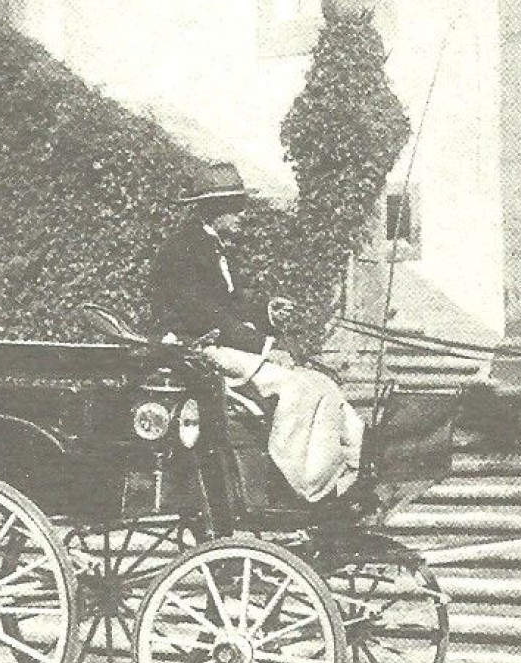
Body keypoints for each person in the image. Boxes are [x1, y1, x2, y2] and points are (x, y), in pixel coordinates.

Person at [148, 163, 364, 503]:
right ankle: (299, 481)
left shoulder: (214, 247)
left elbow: (229, 307)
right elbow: (206, 315)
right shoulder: (182, 252)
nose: (242, 216)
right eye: (235, 208)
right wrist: (264, 345)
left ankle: (340, 469)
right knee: (296, 386)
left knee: (320, 383)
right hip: (195, 350)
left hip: (219, 345)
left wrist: (265, 311)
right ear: (213, 209)